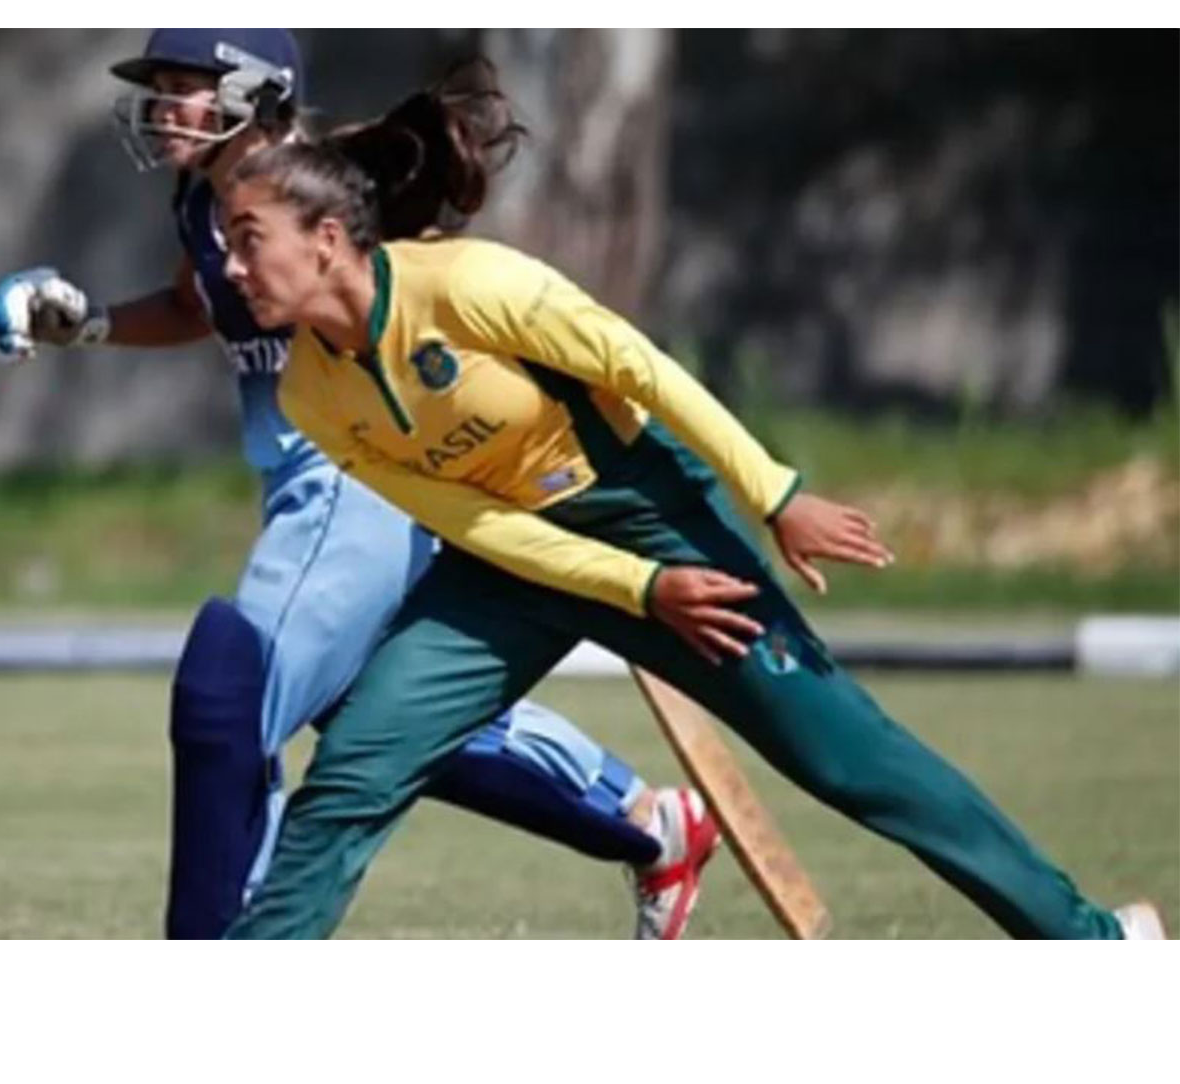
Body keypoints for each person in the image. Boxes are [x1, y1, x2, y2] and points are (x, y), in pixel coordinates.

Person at [210, 132, 1168, 940]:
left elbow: (646, 372)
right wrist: (633, 592)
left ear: (328, 238)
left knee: (853, 763)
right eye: (226, 244)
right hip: (509, 565)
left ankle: (1092, 944)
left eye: (249, 240)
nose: (231, 266)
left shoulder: (470, 285)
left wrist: (774, 493)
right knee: (356, 768)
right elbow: (476, 521)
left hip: (650, 514)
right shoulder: (309, 393)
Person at [0, 29, 718, 939]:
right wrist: (86, 325)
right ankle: (650, 825)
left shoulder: (326, 197)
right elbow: (192, 306)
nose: (165, 106)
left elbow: (448, 319)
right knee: (379, 715)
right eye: (159, 88)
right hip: (311, 486)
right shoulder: (202, 200)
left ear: (256, 92)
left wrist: (549, 463)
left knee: (232, 699)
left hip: (350, 476)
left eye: (187, 86)